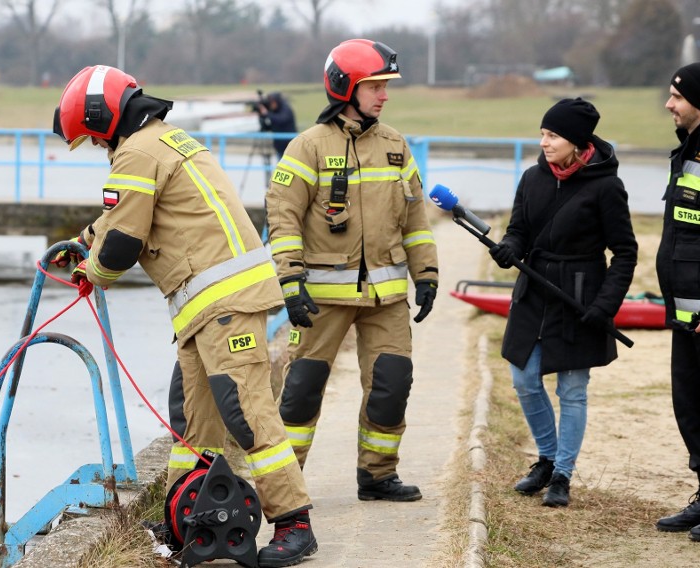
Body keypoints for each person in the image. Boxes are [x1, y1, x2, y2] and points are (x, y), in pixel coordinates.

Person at [52, 65, 317, 567]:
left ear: (102, 118)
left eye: (89, 137)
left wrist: (93, 270)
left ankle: (295, 522)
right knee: (194, 420)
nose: (93, 146)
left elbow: (125, 242)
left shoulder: (134, 153)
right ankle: (185, 521)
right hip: (208, 308)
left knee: (246, 410)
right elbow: (121, 215)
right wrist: (84, 242)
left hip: (226, 304)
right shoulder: (161, 140)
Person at [265, 39, 439, 502]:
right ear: (345, 87)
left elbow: (416, 218)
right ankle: (286, 483)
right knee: (302, 390)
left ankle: (378, 476)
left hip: (386, 297)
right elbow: (281, 216)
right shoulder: (308, 147)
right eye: (375, 86)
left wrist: (426, 274)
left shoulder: (396, 146)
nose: (384, 95)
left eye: (385, 86)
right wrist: (289, 278)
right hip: (321, 297)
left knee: (392, 383)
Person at [488, 98, 637, 507]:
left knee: (572, 390)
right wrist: (508, 248)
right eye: (542, 133)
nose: (544, 142)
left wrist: (604, 305)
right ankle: (547, 459)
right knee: (524, 379)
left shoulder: (607, 186)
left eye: (552, 135)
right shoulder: (532, 177)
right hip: (533, 291)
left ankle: (563, 476)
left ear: (576, 140)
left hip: (578, 296)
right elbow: (518, 230)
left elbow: (624, 252)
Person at [654, 61, 700, 541]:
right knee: (691, 405)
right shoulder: (690, 150)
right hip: (686, 311)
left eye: (676, 95)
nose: (669, 104)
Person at [256, 92, 297, 160]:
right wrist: (262, 116)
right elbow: (271, 126)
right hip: (279, 145)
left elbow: (281, 120)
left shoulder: (286, 109)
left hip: (289, 145)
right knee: (281, 167)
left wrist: (267, 113)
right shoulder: (273, 111)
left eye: (272, 102)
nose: (271, 104)